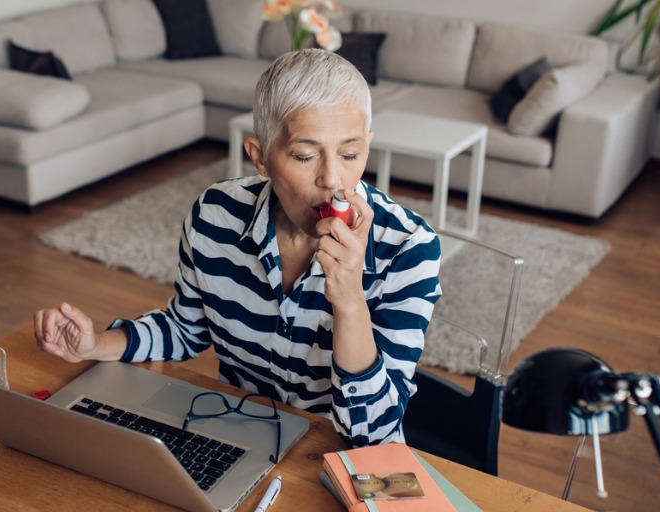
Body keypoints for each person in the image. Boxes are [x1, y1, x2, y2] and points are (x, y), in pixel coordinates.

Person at [35, 49, 441, 446]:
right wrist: (93, 345)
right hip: (237, 439)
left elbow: (373, 432)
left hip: (336, 461)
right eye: (304, 155)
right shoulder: (216, 215)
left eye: (350, 154)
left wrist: (350, 301)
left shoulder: (408, 250)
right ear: (260, 157)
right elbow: (185, 329)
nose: (333, 179)